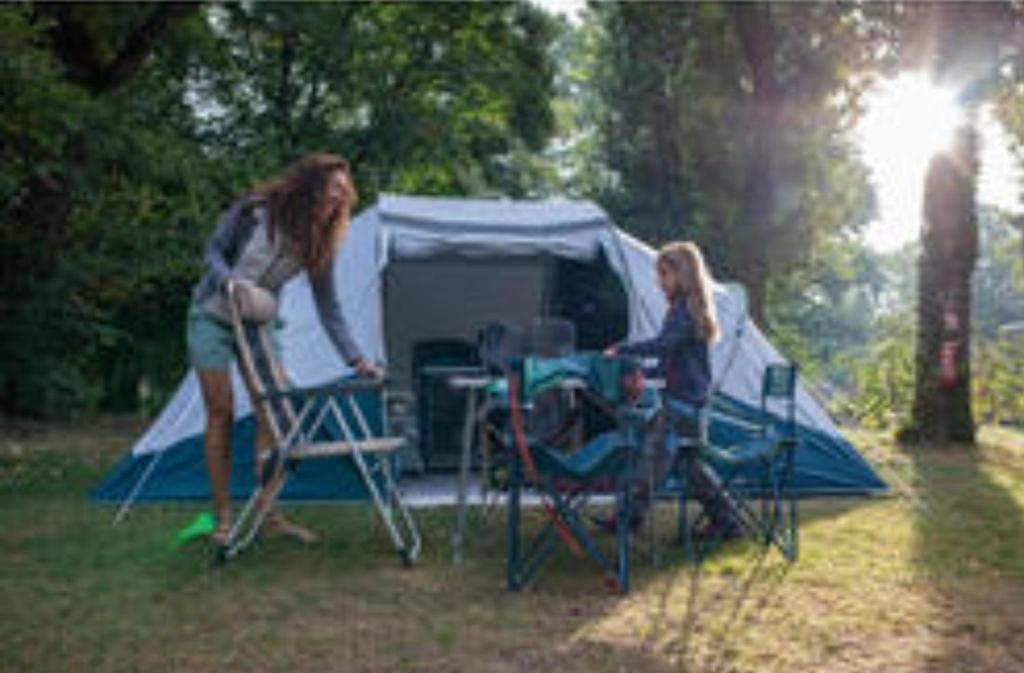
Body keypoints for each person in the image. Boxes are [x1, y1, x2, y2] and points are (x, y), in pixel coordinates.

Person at [186, 153, 380, 545]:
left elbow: (330, 307)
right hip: (213, 315)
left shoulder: (318, 241)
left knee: (275, 412)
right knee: (220, 409)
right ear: (310, 187)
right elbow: (213, 252)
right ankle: (223, 519)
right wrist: (229, 282)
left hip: (259, 325)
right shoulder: (256, 211)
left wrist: (356, 358)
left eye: (344, 195)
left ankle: (267, 512)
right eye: (333, 190)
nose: (339, 200)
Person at [604, 240, 742, 539]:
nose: (659, 281)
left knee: (651, 460)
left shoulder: (684, 311)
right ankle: (727, 521)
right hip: (690, 403)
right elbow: (670, 361)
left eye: (664, 274)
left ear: (683, 274)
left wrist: (624, 350)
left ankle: (628, 518)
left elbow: (663, 346)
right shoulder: (687, 310)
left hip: (683, 406)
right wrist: (642, 372)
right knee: (692, 469)